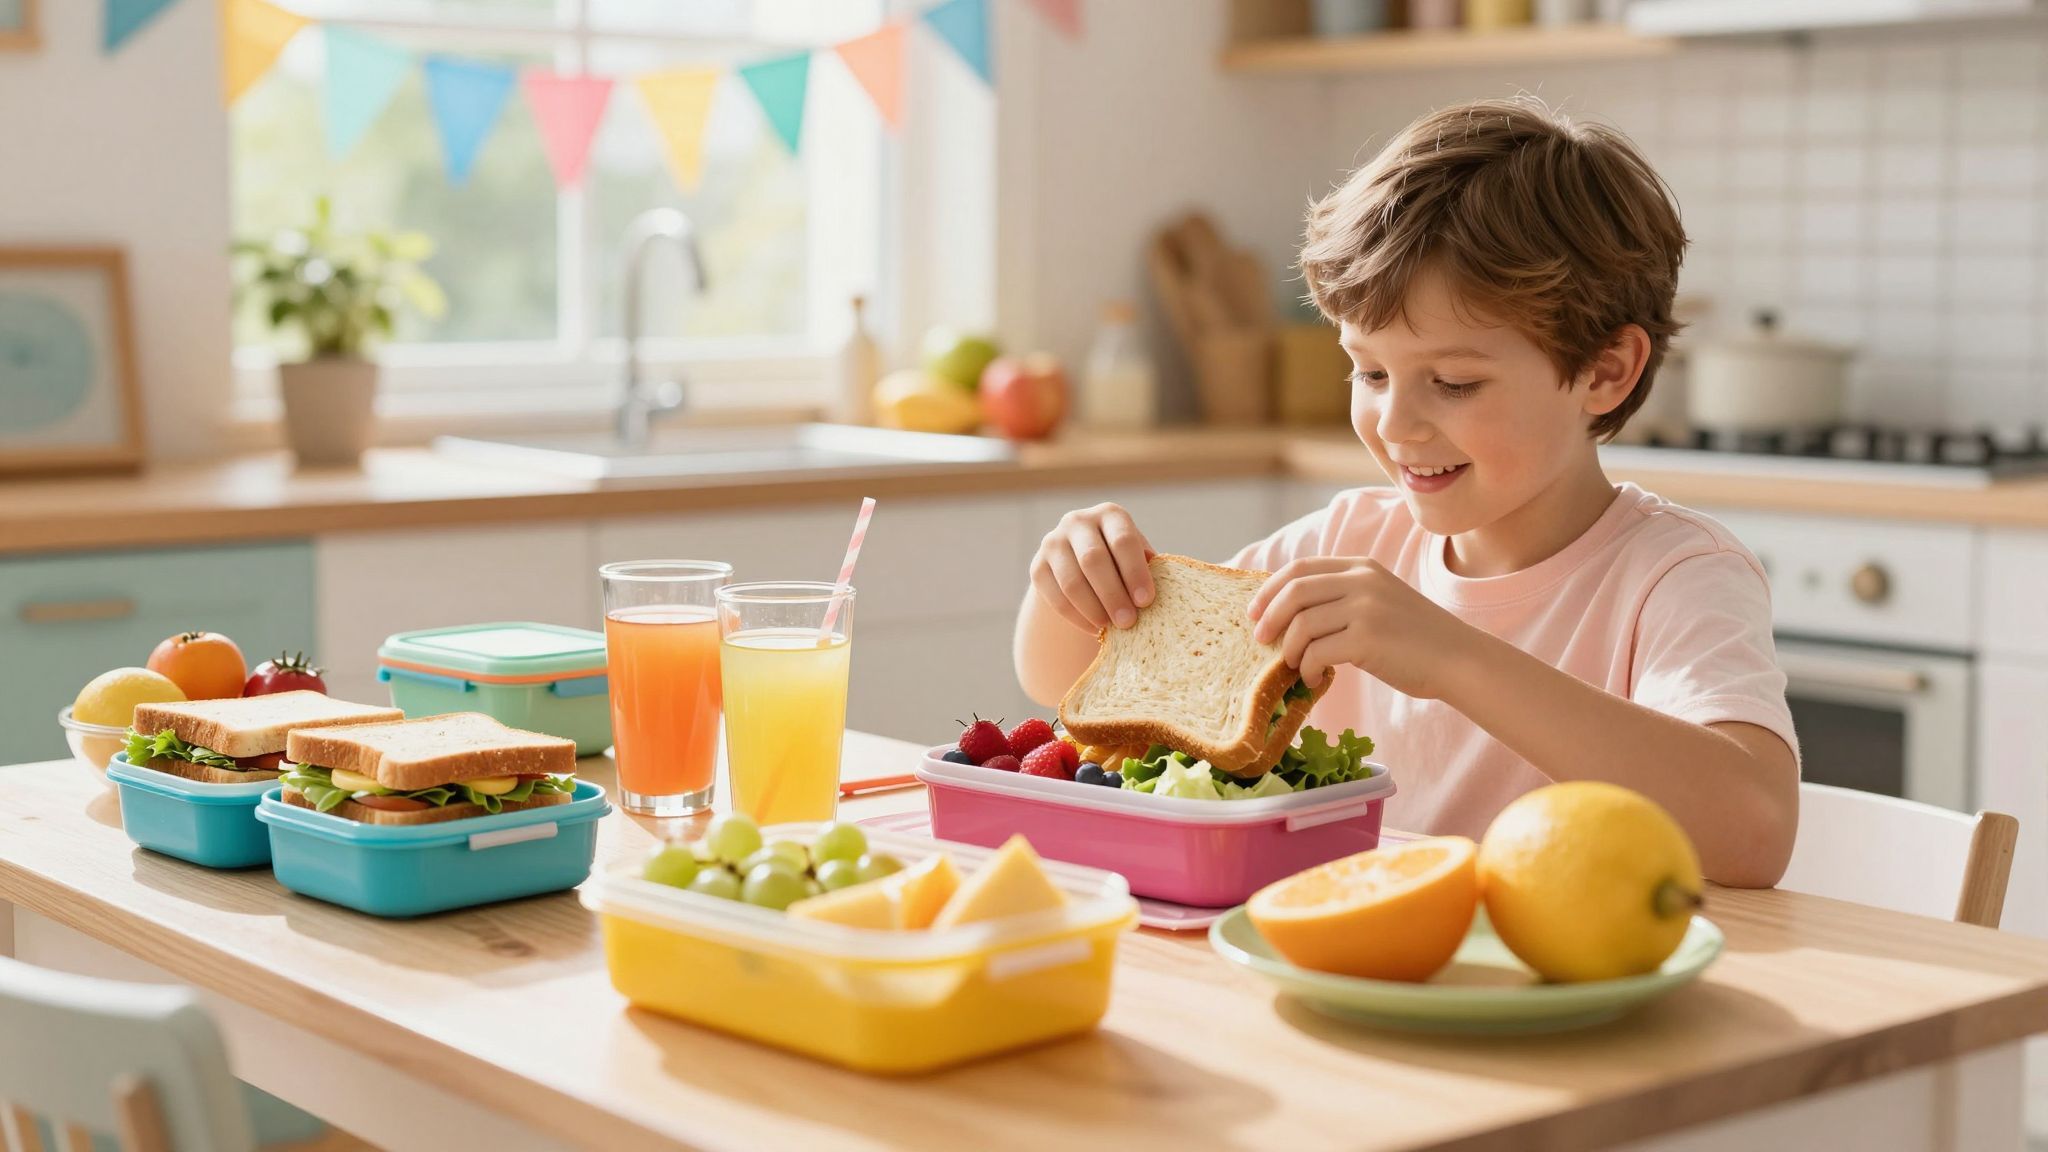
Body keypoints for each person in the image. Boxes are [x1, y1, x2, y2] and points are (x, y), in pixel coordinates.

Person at [1014, 98, 1798, 887]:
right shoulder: (1350, 541)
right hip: (1362, 967)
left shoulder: (1674, 575)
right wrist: (1075, 586)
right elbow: (1060, 680)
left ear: (1605, 371)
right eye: (1371, 371)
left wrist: (1451, 657)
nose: (1396, 423)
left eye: (1453, 382)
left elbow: (1754, 832)